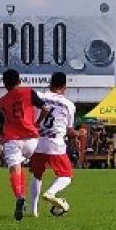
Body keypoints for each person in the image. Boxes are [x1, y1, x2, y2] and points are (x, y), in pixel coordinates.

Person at [0, 68, 47, 221]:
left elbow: (1, 101)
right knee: (36, 171)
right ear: (19, 80)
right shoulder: (29, 92)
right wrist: (37, 123)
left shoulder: (4, 100)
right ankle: (35, 203)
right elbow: (45, 108)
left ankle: (20, 196)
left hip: (12, 139)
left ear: (5, 84)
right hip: (31, 138)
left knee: (15, 169)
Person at [28, 72, 77, 217]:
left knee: (37, 175)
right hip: (56, 142)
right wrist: (79, 134)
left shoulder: (40, 97)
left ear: (50, 84)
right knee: (66, 175)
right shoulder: (69, 105)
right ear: (65, 87)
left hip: (38, 141)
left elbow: (26, 95)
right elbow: (69, 130)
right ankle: (51, 193)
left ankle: (33, 210)